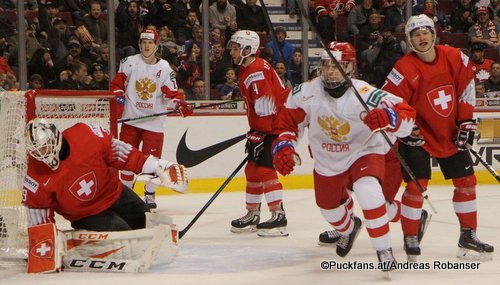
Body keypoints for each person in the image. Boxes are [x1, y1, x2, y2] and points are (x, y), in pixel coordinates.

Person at [272, 41, 416, 268]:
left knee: (368, 191)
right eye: (327, 65)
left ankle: (384, 250)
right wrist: (284, 146)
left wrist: (390, 118)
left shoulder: (365, 93)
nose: (330, 71)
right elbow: (289, 124)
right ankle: (350, 228)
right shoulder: (305, 92)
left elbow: (406, 115)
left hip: (364, 152)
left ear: (350, 68)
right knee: (329, 210)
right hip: (327, 160)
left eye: (337, 66)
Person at [382, 14, 494, 261]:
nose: (422, 38)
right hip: (418, 135)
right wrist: (404, 126)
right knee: (416, 185)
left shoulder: (455, 56)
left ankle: (468, 234)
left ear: (434, 34)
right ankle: (410, 236)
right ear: (410, 40)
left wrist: (466, 122)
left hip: (450, 131)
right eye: (416, 34)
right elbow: (388, 102)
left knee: (466, 181)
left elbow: (466, 88)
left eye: (425, 32)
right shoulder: (403, 68)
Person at [110, 29, 193, 209]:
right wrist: (118, 96)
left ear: (156, 45)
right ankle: (126, 194)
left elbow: (171, 94)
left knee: (153, 161)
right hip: (131, 120)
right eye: (143, 42)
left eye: (150, 42)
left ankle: (149, 193)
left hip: (154, 124)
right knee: (126, 160)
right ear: (139, 44)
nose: (146, 45)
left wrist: (180, 103)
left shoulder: (164, 68)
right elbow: (116, 84)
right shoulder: (128, 63)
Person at [227, 30, 291, 237]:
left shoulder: (256, 73)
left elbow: (267, 106)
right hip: (266, 127)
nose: (232, 52)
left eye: (236, 49)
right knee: (252, 171)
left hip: (275, 126)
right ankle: (252, 214)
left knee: (264, 170)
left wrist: (260, 134)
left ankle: (278, 215)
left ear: (248, 49)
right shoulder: (249, 68)